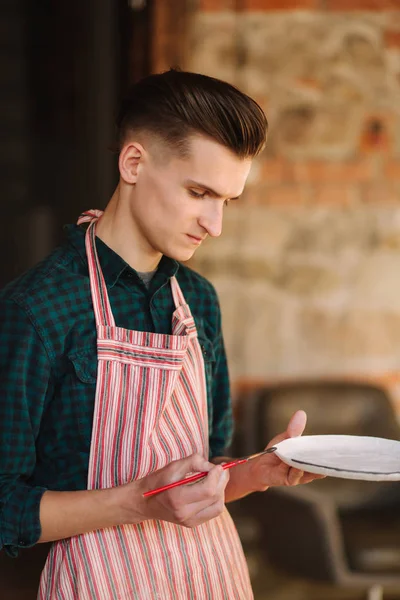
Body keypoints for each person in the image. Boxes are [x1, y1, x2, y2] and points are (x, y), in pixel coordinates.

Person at [0, 69, 322, 599]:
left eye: (228, 201)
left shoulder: (198, 301)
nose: (214, 224)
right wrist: (136, 501)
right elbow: (6, 506)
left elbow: (207, 473)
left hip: (211, 576)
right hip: (98, 583)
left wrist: (261, 469)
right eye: (199, 192)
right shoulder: (38, 310)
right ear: (133, 163)